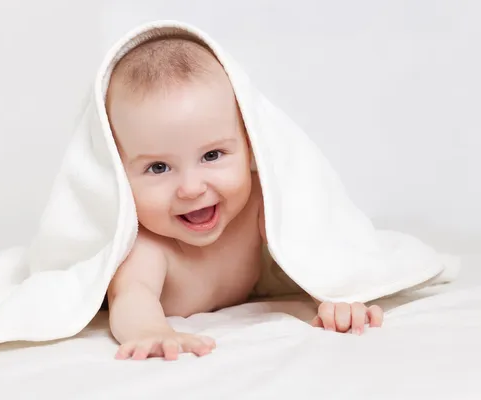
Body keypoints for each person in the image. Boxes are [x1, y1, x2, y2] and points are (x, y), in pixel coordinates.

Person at [104, 35, 383, 361]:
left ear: (251, 145)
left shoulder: (258, 205)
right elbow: (131, 298)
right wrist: (149, 331)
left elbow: (311, 249)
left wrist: (335, 298)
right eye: (159, 167)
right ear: (117, 172)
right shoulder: (146, 244)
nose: (191, 188)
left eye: (212, 155)